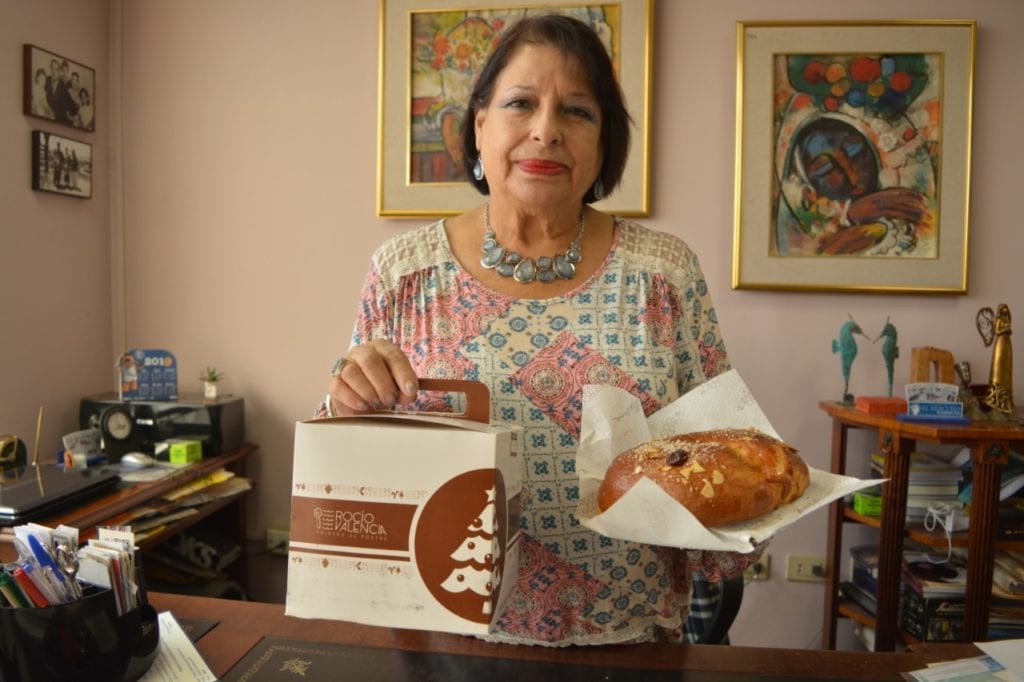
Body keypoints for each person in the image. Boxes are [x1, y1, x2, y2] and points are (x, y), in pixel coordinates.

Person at [320, 14, 764, 646]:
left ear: (605, 142)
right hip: (444, 639)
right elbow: (354, 453)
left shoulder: (662, 273)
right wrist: (347, 397)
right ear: (479, 126)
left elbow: (722, 451)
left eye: (578, 112)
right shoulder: (404, 273)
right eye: (521, 103)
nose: (546, 130)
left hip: (629, 639)